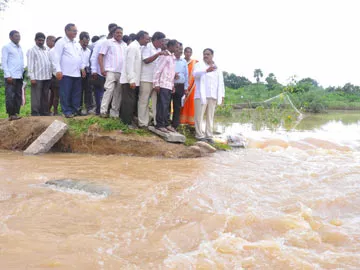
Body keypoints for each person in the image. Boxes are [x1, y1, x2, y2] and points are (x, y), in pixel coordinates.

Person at [193, 48, 225, 143]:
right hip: (201, 95)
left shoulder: (217, 68)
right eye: (204, 54)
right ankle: (199, 135)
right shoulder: (198, 65)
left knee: (210, 116)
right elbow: (194, 74)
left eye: (208, 54)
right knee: (199, 115)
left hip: (213, 95)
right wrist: (206, 70)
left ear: (212, 55)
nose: (206, 56)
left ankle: (209, 135)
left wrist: (222, 95)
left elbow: (221, 83)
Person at [120, 30, 150, 127]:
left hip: (133, 80)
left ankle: (128, 121)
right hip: (129, 80)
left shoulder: (137, 47)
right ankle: (126, 123)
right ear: (141, 38)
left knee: (130, 101)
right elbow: (129, 64)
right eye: (146, 39)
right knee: (128, 102)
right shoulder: (133, 47)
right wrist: (131, 80)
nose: (147, 41)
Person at [53, 23, 84, 118]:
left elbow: (80, 57)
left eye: (76, 31)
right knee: (65, 93)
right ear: (67, 31)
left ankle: (75, 110)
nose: (76, 33)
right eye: (74, 31)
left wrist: (82, 68)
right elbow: (56, 57)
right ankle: (66, 111)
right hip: (65, 73)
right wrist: (58, 70)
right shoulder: (61, 42)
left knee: (76, 93)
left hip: (76, 73)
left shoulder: (76, 43)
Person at [138, 31, 166, 128]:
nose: (162, 43)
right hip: (146, 78)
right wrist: (158, 54)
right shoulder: (147, 47)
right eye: (161, 41)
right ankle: (142, 123)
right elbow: (146, 60)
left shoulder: (160, 49)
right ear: (156, 40)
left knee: (155, 103)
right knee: (144, 101)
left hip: (156, 81)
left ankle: (155, 122)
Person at [89, 24, 118, 115]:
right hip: (99, 72)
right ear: (112, 33)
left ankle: (106, 111)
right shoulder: (101, 42)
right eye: (116, 33)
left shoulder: (115, 44)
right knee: (100, 92)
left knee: (108, 92)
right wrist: (94, 70)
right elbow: (94, 57)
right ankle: (99, 111)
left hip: (110, 72)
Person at [99, 26, 126, 118]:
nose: (119, 34)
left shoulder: (124, 45)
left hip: (121, 72)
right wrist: (102, 69)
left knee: (118, 93)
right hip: (110, 70)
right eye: (117, 32)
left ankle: (114, 113)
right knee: (108, 90)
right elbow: (100, 56)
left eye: (121, 33)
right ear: (113, 33)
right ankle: (103, 111)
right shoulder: (107, 42)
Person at [153, 39, 177, 133]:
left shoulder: (172, 57)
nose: (177, 48)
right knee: (162, 105)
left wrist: (172, 85)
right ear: (170, 46)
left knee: (167, 106)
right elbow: (158, 70)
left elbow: (171, 73)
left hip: (168, 85)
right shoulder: (165, 56)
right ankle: (159, 125)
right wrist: (156, 84)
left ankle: (166, 124)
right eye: (175, 46)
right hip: (162, 84)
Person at [27, 32, 52, 116]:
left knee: (45, 95)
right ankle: (35, 112)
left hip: (47, 76)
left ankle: (44, 112)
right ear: (35, 40)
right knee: (36, 96)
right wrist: (32, 78)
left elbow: (49, 62)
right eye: (39, 40)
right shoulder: (32, 50)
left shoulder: (46, 50)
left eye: (42, 40)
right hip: (37, 77)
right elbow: (30, 65)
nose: (41, 42)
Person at [1, 30, 24, 121]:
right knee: (10, 95)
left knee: (18, 95)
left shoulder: (19, 48)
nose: (18, 37)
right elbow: (4, 62)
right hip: (11, 76)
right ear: (10, 37)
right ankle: (11, 114)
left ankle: (16, 113)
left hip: (19, 76)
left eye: (19, 36)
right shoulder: (6, 47)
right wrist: (8, 75)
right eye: (15, 36)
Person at [171, 42, 188, 129]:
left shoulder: (184, 61)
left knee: (177, 107)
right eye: (178, 49)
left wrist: (186, 88)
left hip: (180, 86)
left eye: (181, 49)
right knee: (166, 105)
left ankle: (175, 126)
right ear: (174, 49)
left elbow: (186, 75)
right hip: (170, 85)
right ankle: (166, 124)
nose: (180, 51)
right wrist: (172, 75)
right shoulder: (170, 59)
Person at [180, 47, 198, 125]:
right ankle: (181, 120)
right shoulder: (181, 61)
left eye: (190, 52)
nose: (188, 54)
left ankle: (190, 121)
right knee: (180, 103)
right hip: (181, 85)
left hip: (192, 87)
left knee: (190, 103)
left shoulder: (195, 62)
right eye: (187, 52)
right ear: (184, 52)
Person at [77, 31, 93, 115]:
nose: (85, 44)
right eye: (84, 42)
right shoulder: (76, 48)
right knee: (79, 90)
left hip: (87, 71)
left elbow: (87, 62)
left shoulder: (88, 51)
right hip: (78, 71)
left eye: (87, 42)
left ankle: (89, 108)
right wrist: (81, 69)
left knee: (88, 90)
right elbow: (77, 60)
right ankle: (78, 108)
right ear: (80, 40)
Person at [48, 36, 61, 115]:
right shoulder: (53, 51)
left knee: (53, 95)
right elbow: (53, 65)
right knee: (56, 95)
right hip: (55, 76)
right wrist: (57, 75)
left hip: (58, 75)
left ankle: (48, 110)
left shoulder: (59, 51)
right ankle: (55, 111)